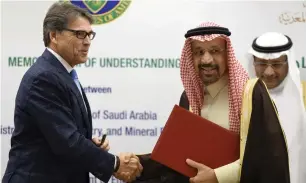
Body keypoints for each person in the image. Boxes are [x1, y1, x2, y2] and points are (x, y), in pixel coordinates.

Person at [132, 22, 292, 183]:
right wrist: (135, 164)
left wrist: (218, 177)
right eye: (198, 52)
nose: (206, 60)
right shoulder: (189, 98)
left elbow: (268, 158)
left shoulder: (251, 94)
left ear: (227, 55)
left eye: (215, 51)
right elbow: (178, 157)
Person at [2, 2, 142, 183]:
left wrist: (89, 144)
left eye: (90, 35)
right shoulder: (44, 78)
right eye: (80, 34)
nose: (87, 41)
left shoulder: (61, 73)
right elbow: (67, 142)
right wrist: (114, 164)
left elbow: (60, 133)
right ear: (54, 35)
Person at [246, 32, 306, 183]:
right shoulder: (242, 98)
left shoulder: (303, 98)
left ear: (289, 64)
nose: (269, 72)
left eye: (277, 64)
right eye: (261, 63)